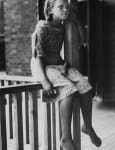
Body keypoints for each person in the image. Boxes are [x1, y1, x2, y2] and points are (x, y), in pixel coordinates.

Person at [30, 0, 102, 149]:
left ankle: (87, 126)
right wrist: (44, 80)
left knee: (85, 86)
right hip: (44, 66)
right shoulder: (42, 26)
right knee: (68, 89)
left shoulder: (65, 26)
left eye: (67, 7)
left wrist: (77, 21)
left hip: (60, 64)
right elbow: (37, 56)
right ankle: (65, 137)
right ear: (50, 9)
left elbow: (83, 39)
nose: (65, 10)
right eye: (60, 7)